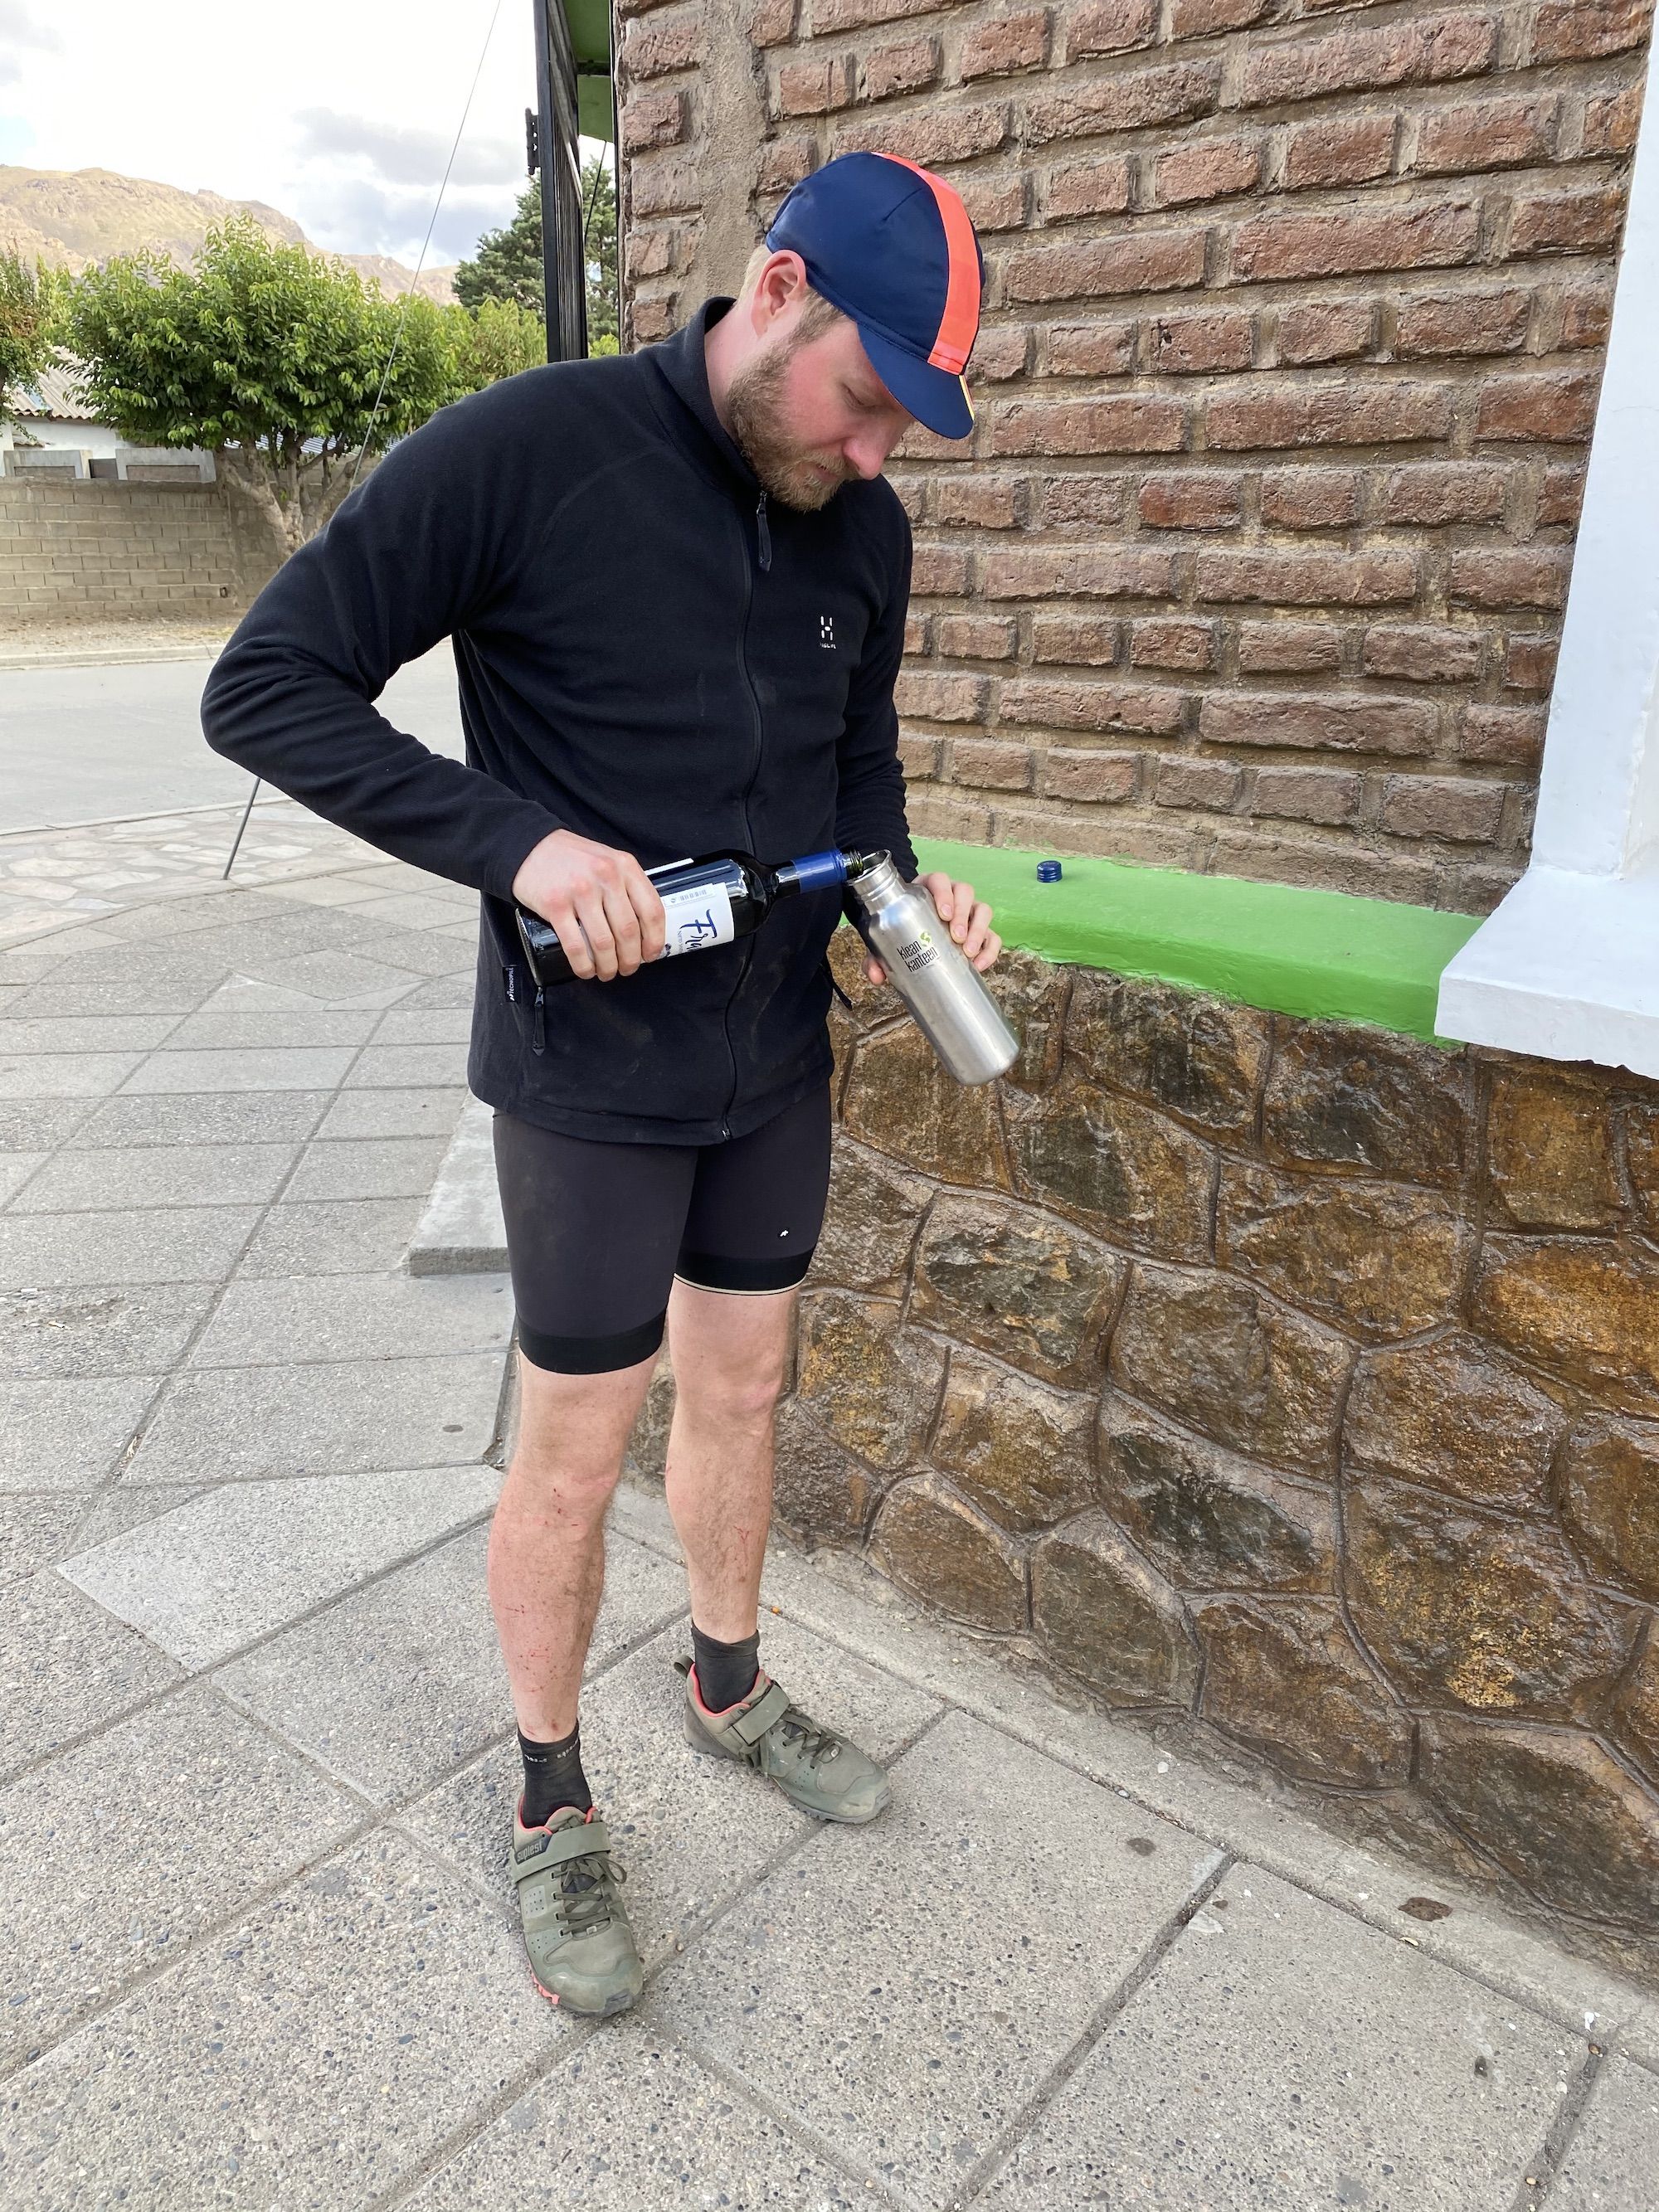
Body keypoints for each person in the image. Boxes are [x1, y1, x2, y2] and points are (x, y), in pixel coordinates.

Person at [201, 150, 1003, 2017]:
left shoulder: (858, 529)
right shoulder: (530, 450)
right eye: (864, 398)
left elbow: (851, 772)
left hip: (769, 1054)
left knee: (746, 1380)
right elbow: (268, 685)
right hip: (585, 1068)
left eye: (905, 425)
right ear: (778, 287)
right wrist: (520, 847)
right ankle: (550, 1797)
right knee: (574, 1446)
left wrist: (910, 889)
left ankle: (724, 1675)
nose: (875, 452)